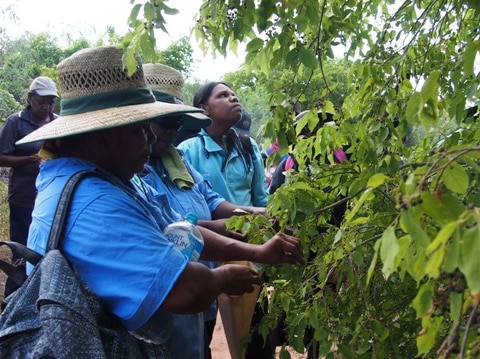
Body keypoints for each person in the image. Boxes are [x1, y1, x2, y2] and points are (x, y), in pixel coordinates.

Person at [18, 46, 266, 356]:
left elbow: (176, 230)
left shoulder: (82, 177)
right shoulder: (97, 201)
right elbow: (186, 290)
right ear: (100, 135)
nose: (149, 141)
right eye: (139, 130)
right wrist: (221, 278)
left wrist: (253, 247)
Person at [142, 63, 270, 358]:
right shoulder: (138, 169)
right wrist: (254, 246)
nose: (171, 131)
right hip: (173, 294)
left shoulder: (176, 162)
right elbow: (178, 230)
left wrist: (263, 217)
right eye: (164, 123)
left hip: (203, 287)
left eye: (176, 123)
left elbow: (213, 203)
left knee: (202, 344)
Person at [177, 82, 272, 358]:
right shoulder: (187, 150)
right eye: (222, 95)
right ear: (203, 109)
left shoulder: (247, 145)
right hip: (207, 254)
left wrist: (265, 231)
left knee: (254, 336)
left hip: (247, 251)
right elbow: (192, 207)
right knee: (205, 331)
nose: (233, 97)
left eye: (234, 94)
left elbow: (260, 198)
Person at [0, 76, 58, 296]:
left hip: (52, 197)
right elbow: (2, 157)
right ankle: (12, 301)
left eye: (51, 102)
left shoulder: (57, 122)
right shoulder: (16, 122)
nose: (47, 107)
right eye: (42, 101)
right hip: (24, 196)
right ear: (30, 99)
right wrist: (30, 159)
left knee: (47, 251)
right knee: (22, 252)